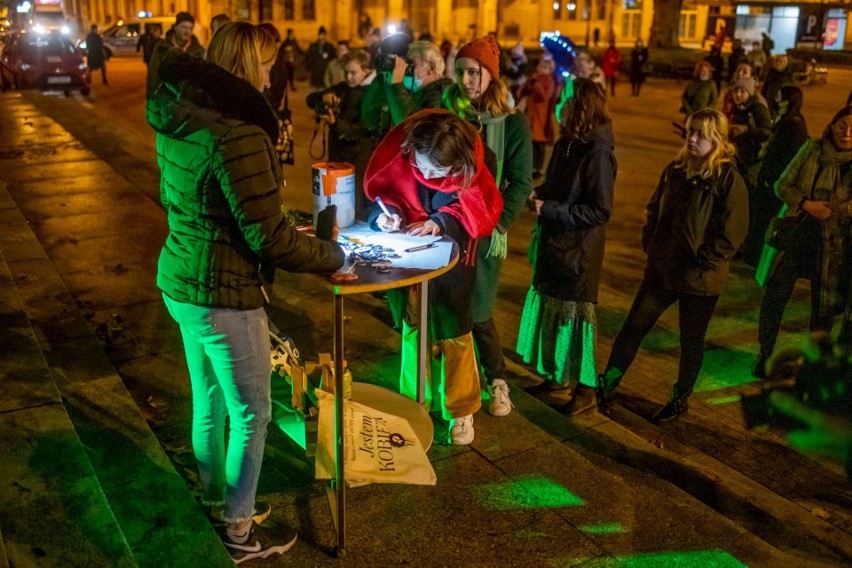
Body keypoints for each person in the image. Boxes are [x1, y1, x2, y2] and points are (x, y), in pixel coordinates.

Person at [146, 21, 344, 562]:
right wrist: (333, 255)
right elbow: (268, 238)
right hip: (225, 294)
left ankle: (216, 502)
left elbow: (203, 203)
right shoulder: (239, 132)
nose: (271, 73)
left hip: (181, 280)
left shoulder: (181, 116)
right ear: (244, 66)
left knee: (209, 402)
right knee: (252, 414)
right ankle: (238, 531)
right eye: (264, 63)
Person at [596, 109, 749, 422]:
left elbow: (733, 232)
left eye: (701, 134)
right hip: (662, 270)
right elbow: (654, 208)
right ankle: (607, 384)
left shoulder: (728, 179)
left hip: (700, 279)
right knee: (632, 329)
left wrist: (702, 263)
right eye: (690, 131)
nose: (692, 139)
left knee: (690, 341)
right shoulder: (676, 169)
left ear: (717, 139)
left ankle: (680, 399)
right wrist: (651, 243)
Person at [363, 110, 502, 444]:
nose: (424, 173)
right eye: (420, 165)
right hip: (408, 258)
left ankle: (461, 409)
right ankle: (412, 401)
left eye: (434, 171)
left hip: (453, 263)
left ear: (457, 166)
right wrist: (385, 218)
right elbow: (382, 197)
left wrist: (440, 221)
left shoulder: (475, 163)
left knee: (456, 332)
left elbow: (475, 211)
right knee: (413, 330)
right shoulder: (407, 152)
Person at [445, 35, 533, 417]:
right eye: (461, 71)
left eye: (473, 72)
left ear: (490, 75)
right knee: (449, 312)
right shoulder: (450, 114)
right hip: (447, 227)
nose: (465, 80)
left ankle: (497, 381)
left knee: (479, 310)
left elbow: (521, 180)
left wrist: (497, 221)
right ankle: (457, 392)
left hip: (485, 233)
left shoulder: (513, 124)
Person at [517, 78, 616, 414]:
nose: (559, 103)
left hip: (578, 252)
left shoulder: (598, 152)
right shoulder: (567, 144)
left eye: (566, 99)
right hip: (556, 244)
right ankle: (558, 377)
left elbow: (600, 210)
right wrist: (539, 193)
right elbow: (558, 185)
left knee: (578, 321)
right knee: (553, 314)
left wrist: (551, 209)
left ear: (582, 106)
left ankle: (586, 389)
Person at [754, 106, 852, 378]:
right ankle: (764, 352)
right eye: (842, 125)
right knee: (775, 295)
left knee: (823, 309)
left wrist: (837, 211)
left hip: (835, 245)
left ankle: (812, 363)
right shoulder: (811, 149)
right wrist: (806, 204)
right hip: (798, 234)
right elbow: (782, 185)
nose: (847, 133)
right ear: (832, 126)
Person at [743, 86, 809, 266]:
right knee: (759, 218)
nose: (776, 99)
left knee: (766, 220)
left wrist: (771, 179)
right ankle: (752, 252)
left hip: (775, 182)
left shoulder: (794, 123)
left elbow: (789, 157)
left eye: (780, 96)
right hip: (768, 178)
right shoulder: (785, 119)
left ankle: (756, 257)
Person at [306, 50, 377, 219]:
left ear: (366, 70)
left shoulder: (373, 93)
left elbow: (363, 129)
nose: (348, 76)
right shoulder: (343, 88)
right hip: (337, 156)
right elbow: (310, 99)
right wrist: (324, 97)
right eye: (346, 72)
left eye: (353, 72)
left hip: (359, 157)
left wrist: (335, 123)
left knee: (355, 204)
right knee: (334, 202)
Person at [364, 40, 453, 129]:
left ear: (431, 67)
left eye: (412, 64)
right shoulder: (410, 92)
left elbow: (411, 127)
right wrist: (385, 81)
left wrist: (396, 84)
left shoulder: (443, 95)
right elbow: (370, 121)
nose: (406, 68)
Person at [146, 12, 205, 99]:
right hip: (166, 101)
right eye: (184, 27)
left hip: (190, 105)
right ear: (175, 27)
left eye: (190, 28)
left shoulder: (199, 51)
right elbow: (153, 76)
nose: (187, 31)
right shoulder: (162, 48)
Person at [729, 76, 772, 187]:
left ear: (750, 93)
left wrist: (747, 130)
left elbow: (768, 133)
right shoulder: (736, 109)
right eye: (736, 91)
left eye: (742, 91)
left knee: (748, 185)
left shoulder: (758, 108)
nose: (738, 94)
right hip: (739, 156)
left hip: (756, 159)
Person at [519, 56, 557, 180]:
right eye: (540, 66)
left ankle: (539, 168)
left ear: (550, 70)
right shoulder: (533, 78)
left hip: (541, 116)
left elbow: (544, 96)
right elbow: (522, 92)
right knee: (531, 142)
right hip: (531, 115)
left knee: (540, 143)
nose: (541, 69)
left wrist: (536, 84)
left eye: (545, 67)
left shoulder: (549, 81)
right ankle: (531, 167)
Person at [306, 26, 335, 90]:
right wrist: (310, 67)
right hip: (315, 72)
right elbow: (308, 57)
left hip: (325, 71)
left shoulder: (330, 47)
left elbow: (333, 58)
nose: (322, 36)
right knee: (315, 90)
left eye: (323, 34)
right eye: (321, 34)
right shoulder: (313, 46)